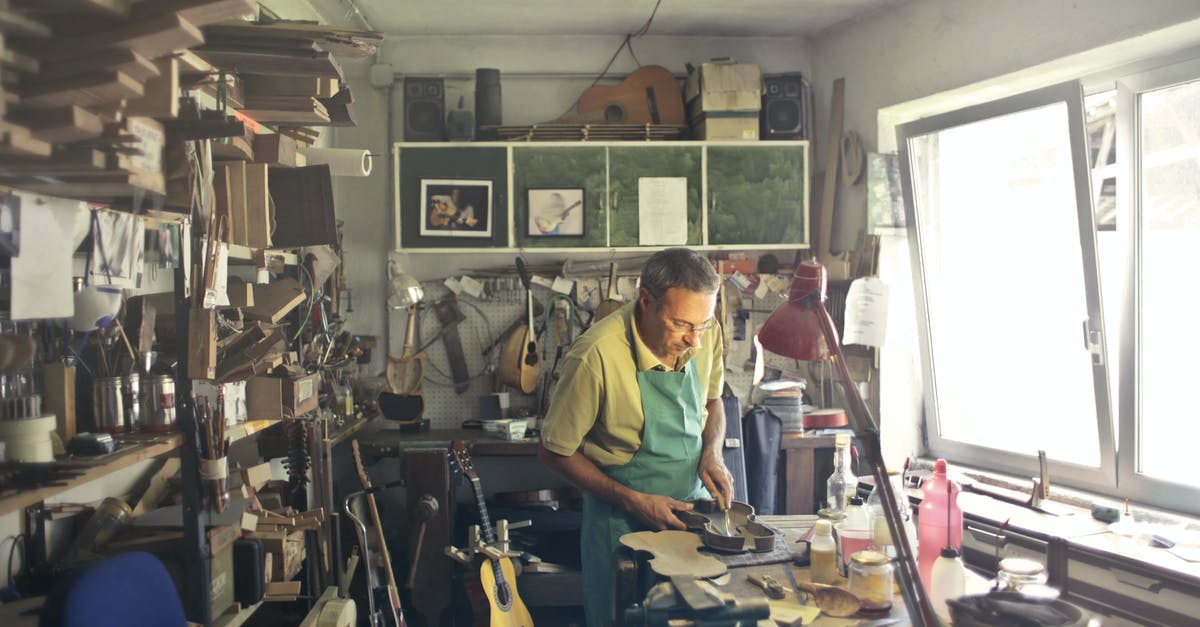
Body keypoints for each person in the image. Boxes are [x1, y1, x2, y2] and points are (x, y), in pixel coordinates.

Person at [538, 248, 733, 627]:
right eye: (681, 325)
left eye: (702, 325)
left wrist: (713, 452)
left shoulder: (703, 332)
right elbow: (553, 451)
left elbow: (713, 400)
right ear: (646, 301)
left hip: (691, 521)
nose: (694, 340)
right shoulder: (595, 356)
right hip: (620, 529)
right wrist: (632, 500)